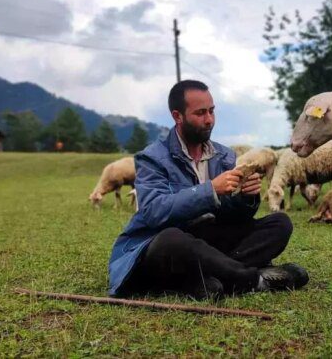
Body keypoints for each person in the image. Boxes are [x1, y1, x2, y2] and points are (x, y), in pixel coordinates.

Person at [108, 80, 308, 299]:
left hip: (207, 241)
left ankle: (207, 281)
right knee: (173, 240)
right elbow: (154, 211)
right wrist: (211, 189)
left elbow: (232, 216)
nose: (209, 120)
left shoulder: (224, 156)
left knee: (279, 223)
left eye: (212, 111)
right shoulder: (152, 158)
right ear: (178, 116)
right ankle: (252, 280)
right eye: (200, 113)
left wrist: (245, 198)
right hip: (166, 245)